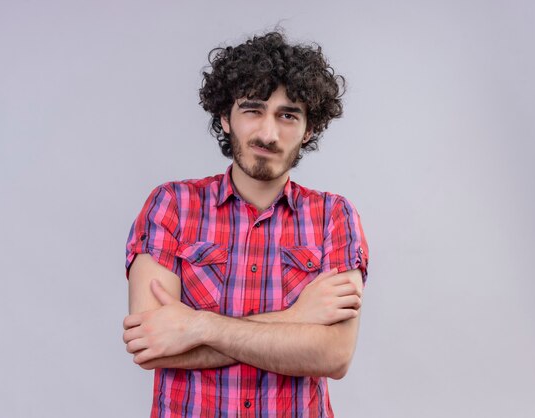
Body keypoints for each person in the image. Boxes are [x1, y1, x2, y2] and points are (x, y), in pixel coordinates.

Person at [122, 31, 369, 417]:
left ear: (309, 129)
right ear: (225, 117)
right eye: (253, 109)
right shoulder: (171, 205)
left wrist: (199, 326)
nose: (268, 134)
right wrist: (297, 319)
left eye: (288, 115)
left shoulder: (333, 216)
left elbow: (334, 355)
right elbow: (151, 343)